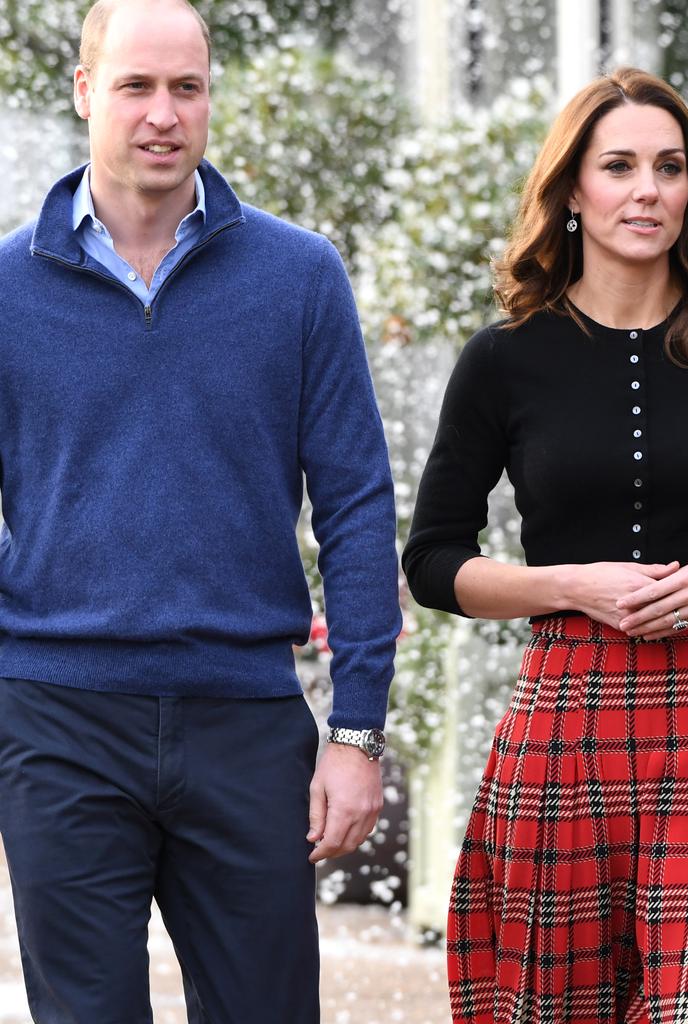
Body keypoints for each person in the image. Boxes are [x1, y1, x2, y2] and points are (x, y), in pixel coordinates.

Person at [0, 1, 401, 1021]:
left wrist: (356, 733)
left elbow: (356, 505)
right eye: (136, 86)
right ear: (86, 92)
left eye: (187, 87)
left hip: (247, 723)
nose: (163, 114)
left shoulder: (299, 275)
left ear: (210, 97)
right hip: (58, 721)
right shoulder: (4, 286)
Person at [403, 66, 688, 1023]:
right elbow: (434, 560)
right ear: (573, 189)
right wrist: (570, 585)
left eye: (668, 167)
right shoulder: (504, 359)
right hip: (565, 720)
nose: (647, 189)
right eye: (619, 166)